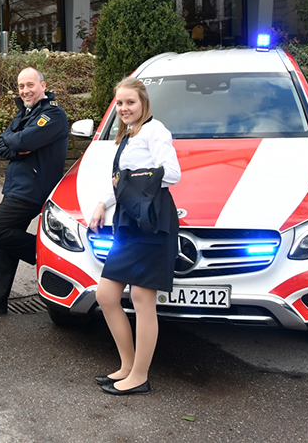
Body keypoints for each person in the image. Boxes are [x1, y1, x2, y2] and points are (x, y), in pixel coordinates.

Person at [88, 77, 181, 396]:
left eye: (130, 102)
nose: (124, 108)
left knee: (143, 300)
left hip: (152, 220)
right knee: (106, 296)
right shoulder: (127, 135)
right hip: (128, 222)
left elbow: (171, 173)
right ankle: (126, 367)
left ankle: (139, 376)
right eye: (120, 103)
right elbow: (118, 183)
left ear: (143, 103)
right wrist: (103, 203)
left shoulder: (156, 131)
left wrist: (134, 179)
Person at [0, 67, 69, 315]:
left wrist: (18, 141)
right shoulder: (25, 112)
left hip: (32, 190)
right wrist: (17, 142)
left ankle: (49, 254)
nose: (25, 91)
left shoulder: (53, 115)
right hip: (17, 187)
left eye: (30, 85)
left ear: (43, 86)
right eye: (21, 86)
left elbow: (21, 141)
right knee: (6, 240)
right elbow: (2, 145)